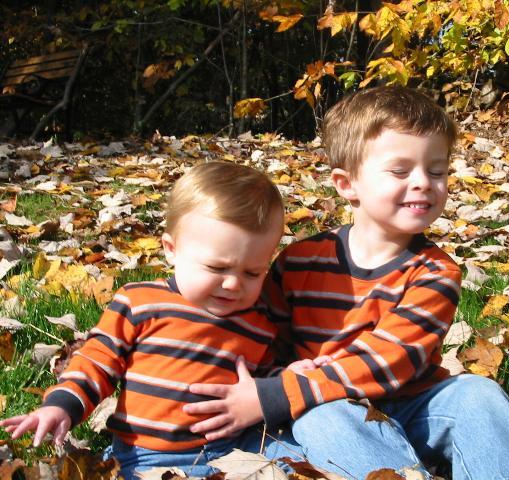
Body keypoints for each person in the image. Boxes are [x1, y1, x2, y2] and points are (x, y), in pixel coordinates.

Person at [184, 87, 509, 480]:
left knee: (479, 394)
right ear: (347, 184)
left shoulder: (435, 272)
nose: (423, 182)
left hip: (414, 406)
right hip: (332, 412)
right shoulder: (299, 262)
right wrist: (266, 382)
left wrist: (277, 395)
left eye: (437, 171)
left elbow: (390, 360)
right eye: (400, 171)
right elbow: (265, 339)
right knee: (323, 417)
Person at [0, 162, 310, 479]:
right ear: (171, 250)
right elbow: (97, 361)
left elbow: (257, 378)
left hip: (234, 449)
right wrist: (62, 404)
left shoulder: (257, 321)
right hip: (149, 455)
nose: (233, 284)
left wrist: (285, 379)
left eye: (253, 273)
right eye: (217, 268)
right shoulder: (140, 302)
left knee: (306, 455)